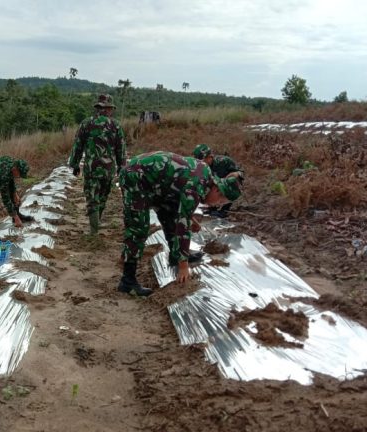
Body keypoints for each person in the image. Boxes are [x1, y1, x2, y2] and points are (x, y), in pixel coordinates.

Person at [118, 151, 243, 296]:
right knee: (139, 227)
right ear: (217, 189)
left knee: (169, 215)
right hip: (136, 177)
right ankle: (127, 281)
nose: (216, 205)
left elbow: (181, 208)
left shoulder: (205, 177)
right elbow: (183, 227)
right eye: (220, 201)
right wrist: (184, 266)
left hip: (160, 186)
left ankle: (175, 256)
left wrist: (192, 220)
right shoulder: (196, 186)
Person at [68, 94, 126, 234]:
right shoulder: (115, 125)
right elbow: (121, 150)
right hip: (108, 169)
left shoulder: (86, 123)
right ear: (107, 109)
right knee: (102, 197)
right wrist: (121, 168)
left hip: (91, 168)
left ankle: (94, 229)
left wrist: (75, 164)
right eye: (110, 108)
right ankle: (96, 223)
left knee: (92, 198)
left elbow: (78, 146)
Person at [193, 144, 245, 217]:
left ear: (210, 157)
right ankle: (212, 207)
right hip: (214, 185)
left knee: (230, 184)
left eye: (203, 160)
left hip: (227, 184)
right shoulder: (200, 167)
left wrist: (236, 174)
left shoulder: (224, 161)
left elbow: (241, 173)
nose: (201, 163)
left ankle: (224, 210)